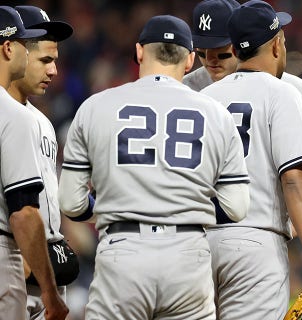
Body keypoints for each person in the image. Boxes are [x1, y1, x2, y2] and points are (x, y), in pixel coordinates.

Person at [58, 14, 250, 319]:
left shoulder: (96, 106)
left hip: (123, 250)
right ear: (189, 60)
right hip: (188, 253)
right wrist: (183, 208)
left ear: (138, 52)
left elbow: (71, 203)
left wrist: (118, 205)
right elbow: (237, 206)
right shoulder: (217, 114)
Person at [199, 1, 302, 318]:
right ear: (276, 45)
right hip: (254, 245)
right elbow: (295, 180)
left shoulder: (203, 99)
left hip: (197, 246)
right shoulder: (281, 92)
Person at [184, 0, 302, 220]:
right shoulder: (184, 89)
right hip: (196, 231)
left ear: (239, 43)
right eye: (202, 53)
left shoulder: (287, 88)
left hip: (264, 228)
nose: (210, 61)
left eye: (221, 52)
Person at [7, 6, 76, 320]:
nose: (53, 72)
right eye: (45, 61)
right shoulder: (9, 117)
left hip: (43, 268)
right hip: (10, 259)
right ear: (17, 52)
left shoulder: (42, 122)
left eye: (55, 61)